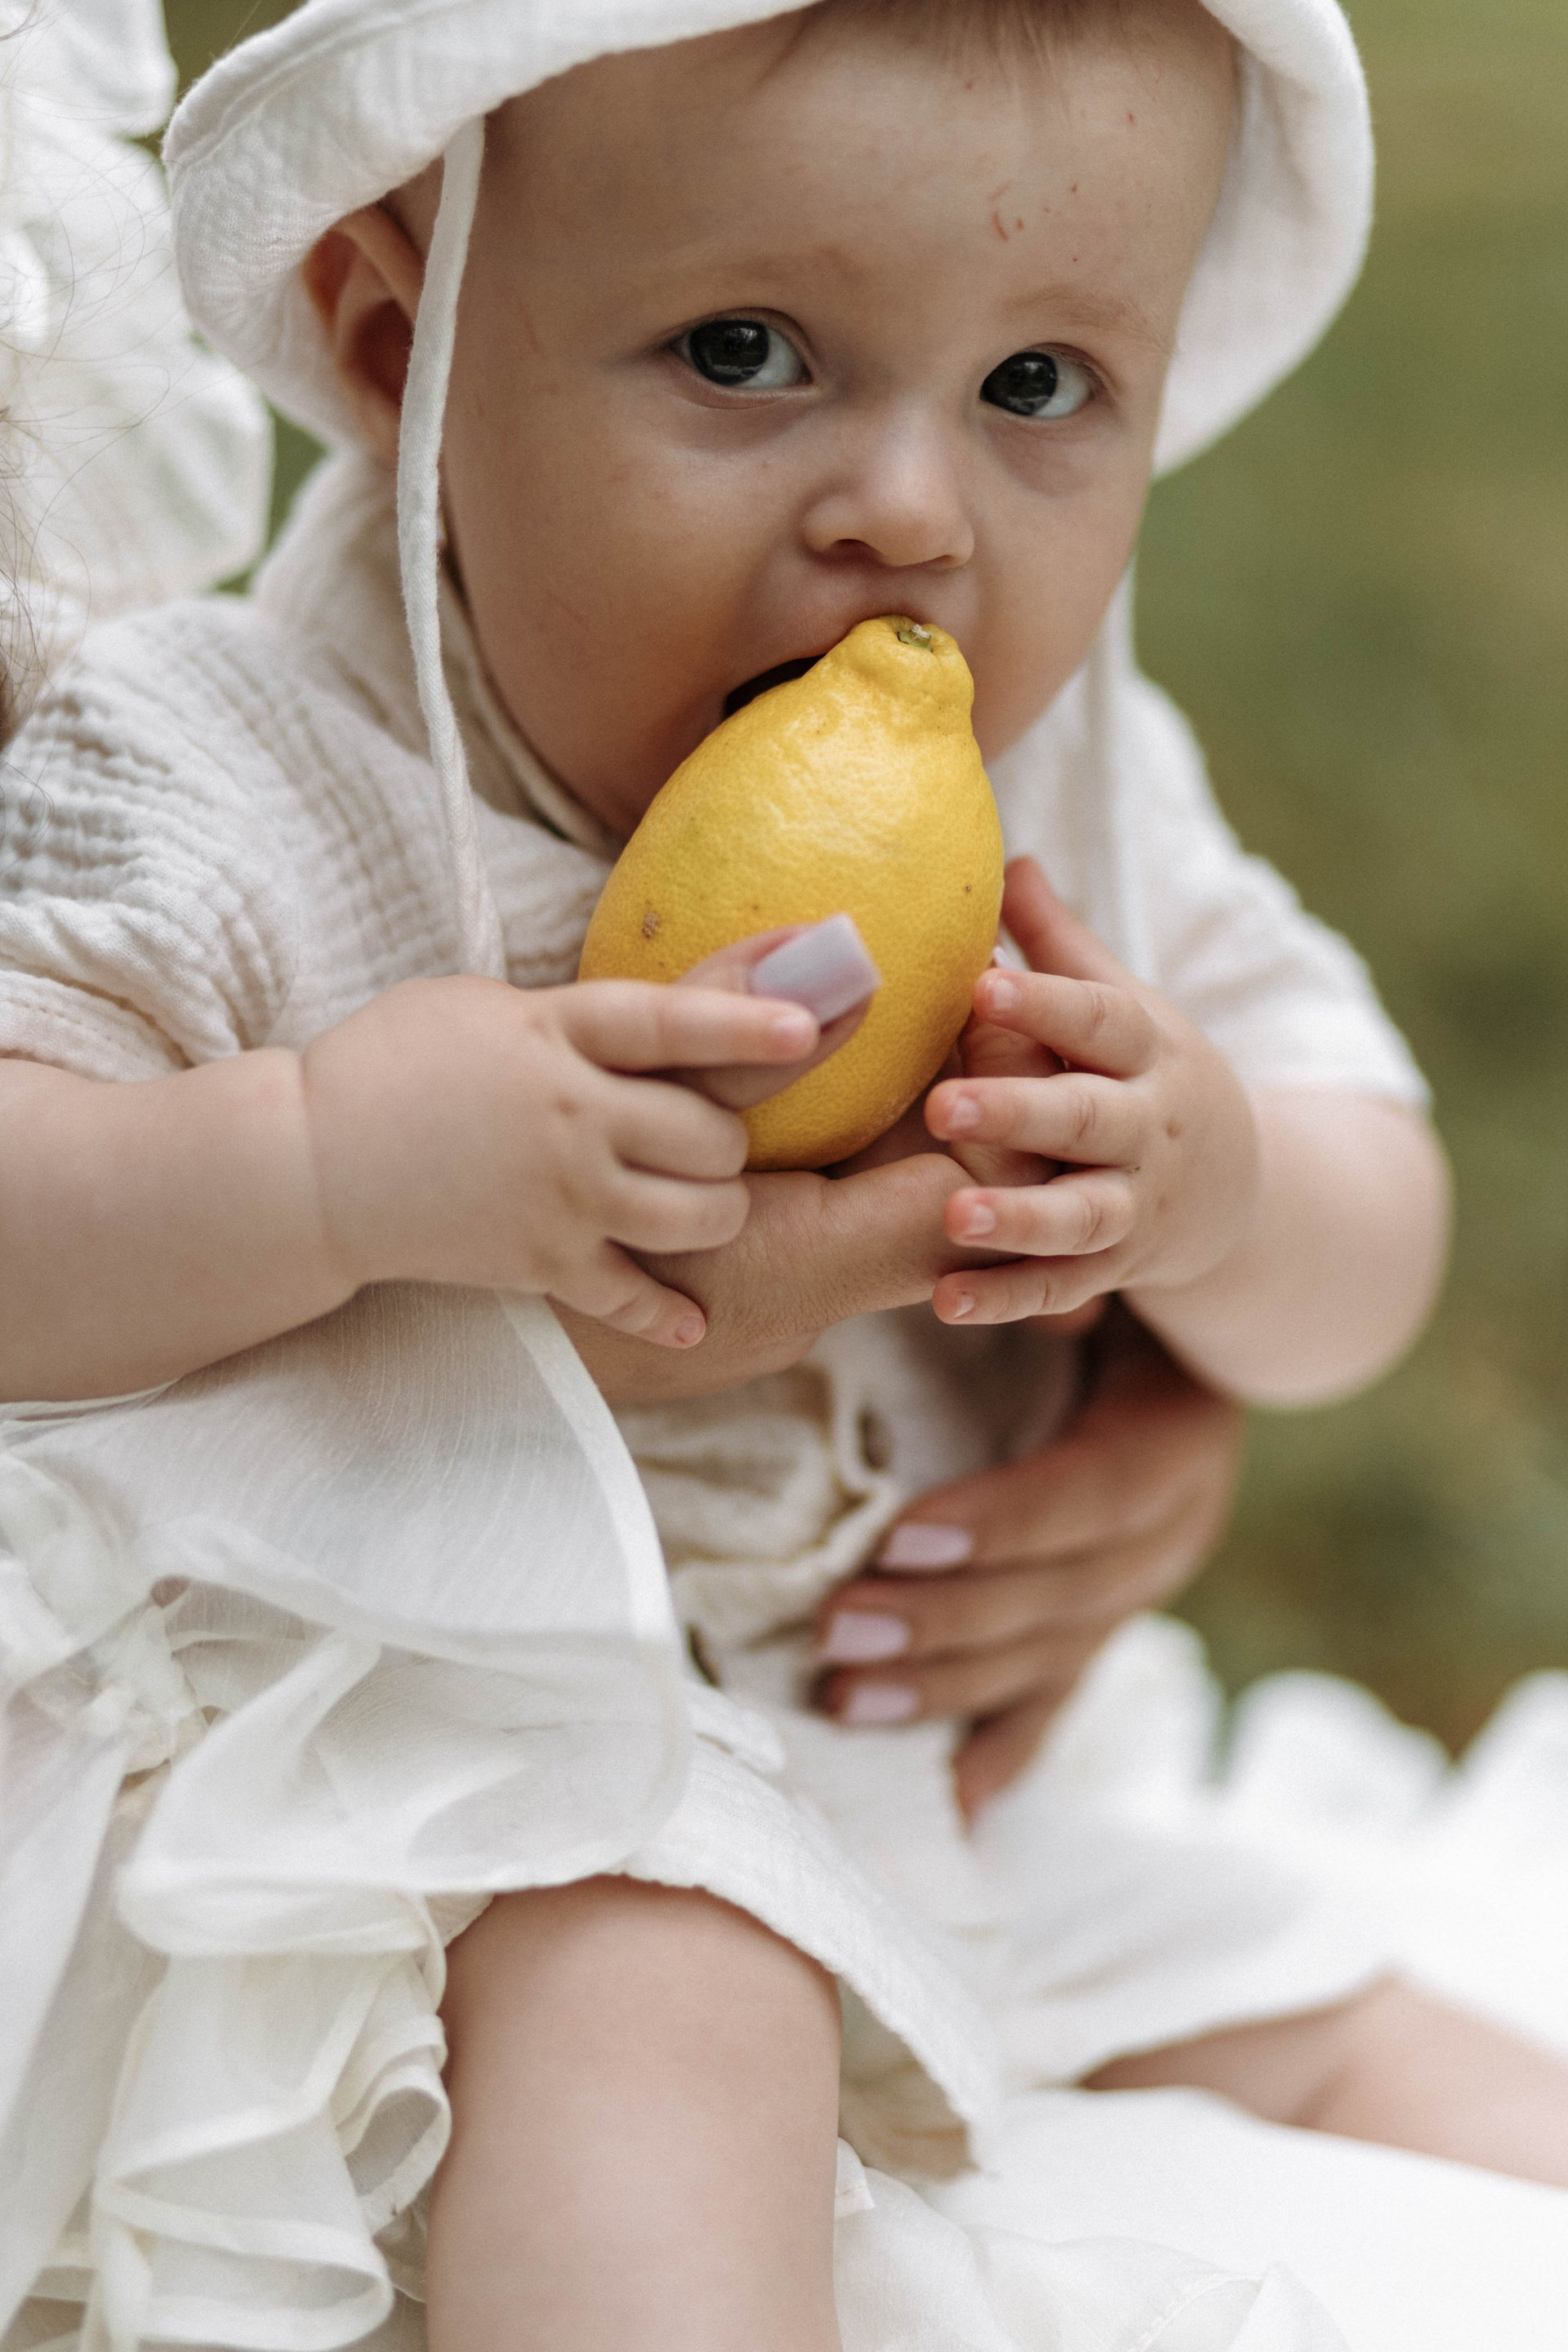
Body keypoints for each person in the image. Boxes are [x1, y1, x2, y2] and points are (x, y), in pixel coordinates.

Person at [3, 1, 1567, 2347]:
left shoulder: (1074, 790)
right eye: (745, 353)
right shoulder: (232, 771)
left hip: (939, 1767)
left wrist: (1220, 1193)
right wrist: (327, 1166)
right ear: (401, 346)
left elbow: (1378, 1252)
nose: (910, 513)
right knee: (673, 1996)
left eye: (1038, 385)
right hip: (476, 1781)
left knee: (1381, 2050)